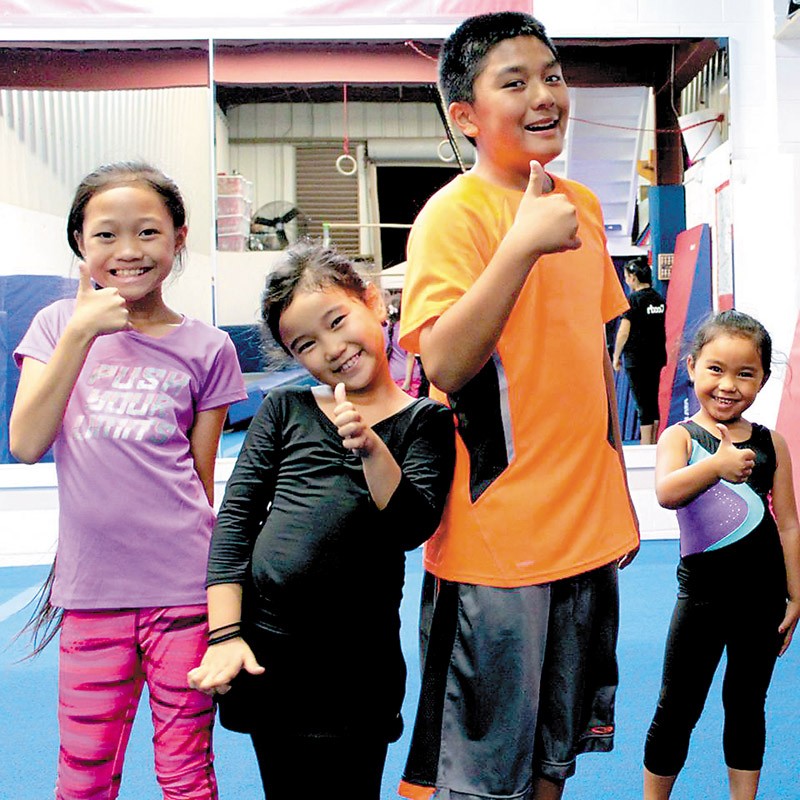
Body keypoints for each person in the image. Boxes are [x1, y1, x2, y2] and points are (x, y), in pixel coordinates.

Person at [397, 12, 640, 800]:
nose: (544, 97)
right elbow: (445, 361)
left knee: (553, 758)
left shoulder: (582, 206)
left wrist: (620, 496)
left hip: (585, 526)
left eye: (554, 76)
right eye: (515, 82)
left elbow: (594, 360)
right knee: (480, 778)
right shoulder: (454, 216)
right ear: (464, 114)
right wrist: (523, 243)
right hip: (496, 545)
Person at [9, 161, 247, 799]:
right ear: (80, 244)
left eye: (147, 232)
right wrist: (82, 333)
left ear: (178, 238)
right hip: (92, 595)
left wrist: (225, 597)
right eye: (106, 235)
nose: (128, 251)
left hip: (184, 593)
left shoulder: (209, 347)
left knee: (185, 774)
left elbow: (199, 481)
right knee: (83, 777)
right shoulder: (57, 327)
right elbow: (27, 442)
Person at [187, 242, 455, 800]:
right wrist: (225, 635)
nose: (331, 349)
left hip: (357, 666)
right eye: (305, 344)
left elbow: (412, 528)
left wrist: (372, 450)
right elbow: (235, 520)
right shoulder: (286, 410)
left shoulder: (425, 419)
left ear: (374, 301)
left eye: (337, 321)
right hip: (269, 651)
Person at [643, 310, 799, 800]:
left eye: (744, 373)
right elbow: (667, 493)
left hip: (764, 599)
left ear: (763, 380)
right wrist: (715, 465)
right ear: (691, 367)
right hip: (703, 600)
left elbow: (789, 522)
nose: (728, 385)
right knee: (677, 706)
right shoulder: (681, 437)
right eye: (715, 369)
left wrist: (796, 594)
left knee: (747, 704)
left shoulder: (772, 443)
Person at [612, 257, 667, 444]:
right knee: (652, 401)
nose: (627, 281)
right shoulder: (658, 299)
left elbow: (624, 331)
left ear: (633, 277)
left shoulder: (633, 300)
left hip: (637, 359)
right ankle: (653, 442)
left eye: (627, 277)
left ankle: (645, 446)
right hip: (657, 357)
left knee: (642, 403)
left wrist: (616, 356)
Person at [385, 290, 422, 397]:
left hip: (392, 377)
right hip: (409, 377)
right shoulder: (406, 329)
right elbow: (410, 356)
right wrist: (407, 381)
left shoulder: (384, 329)